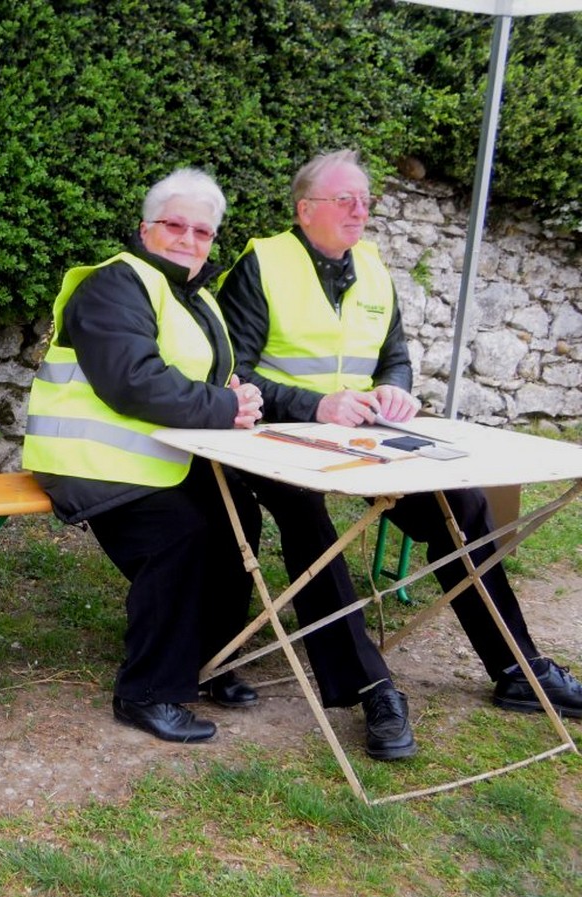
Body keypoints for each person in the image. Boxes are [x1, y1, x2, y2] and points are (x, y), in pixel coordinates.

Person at [217, 148, 582, 761]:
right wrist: (315, 406)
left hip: (362, 434)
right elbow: (234, 370)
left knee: (459, 506)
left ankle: (518, 669)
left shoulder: (376, 268)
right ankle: (371, 687)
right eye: (345, 200)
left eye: (365, 200)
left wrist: (396, 387)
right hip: (271, 437)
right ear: (306, 209)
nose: (361, 210)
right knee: (310, 522)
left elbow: (396, 355)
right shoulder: (262, 263)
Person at [22, 168, 265, 744]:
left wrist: (244, 393)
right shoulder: (115, 284)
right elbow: (132, 380)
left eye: (202, 233)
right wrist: (224, 406)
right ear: (144, 228)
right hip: (91, 464)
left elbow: (214, 378)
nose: (188, 239)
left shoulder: (195, 295)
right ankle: (148, 691)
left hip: (156, 458)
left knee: (238, 520)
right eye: (174, 225)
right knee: (179, 536)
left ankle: (211, 660)